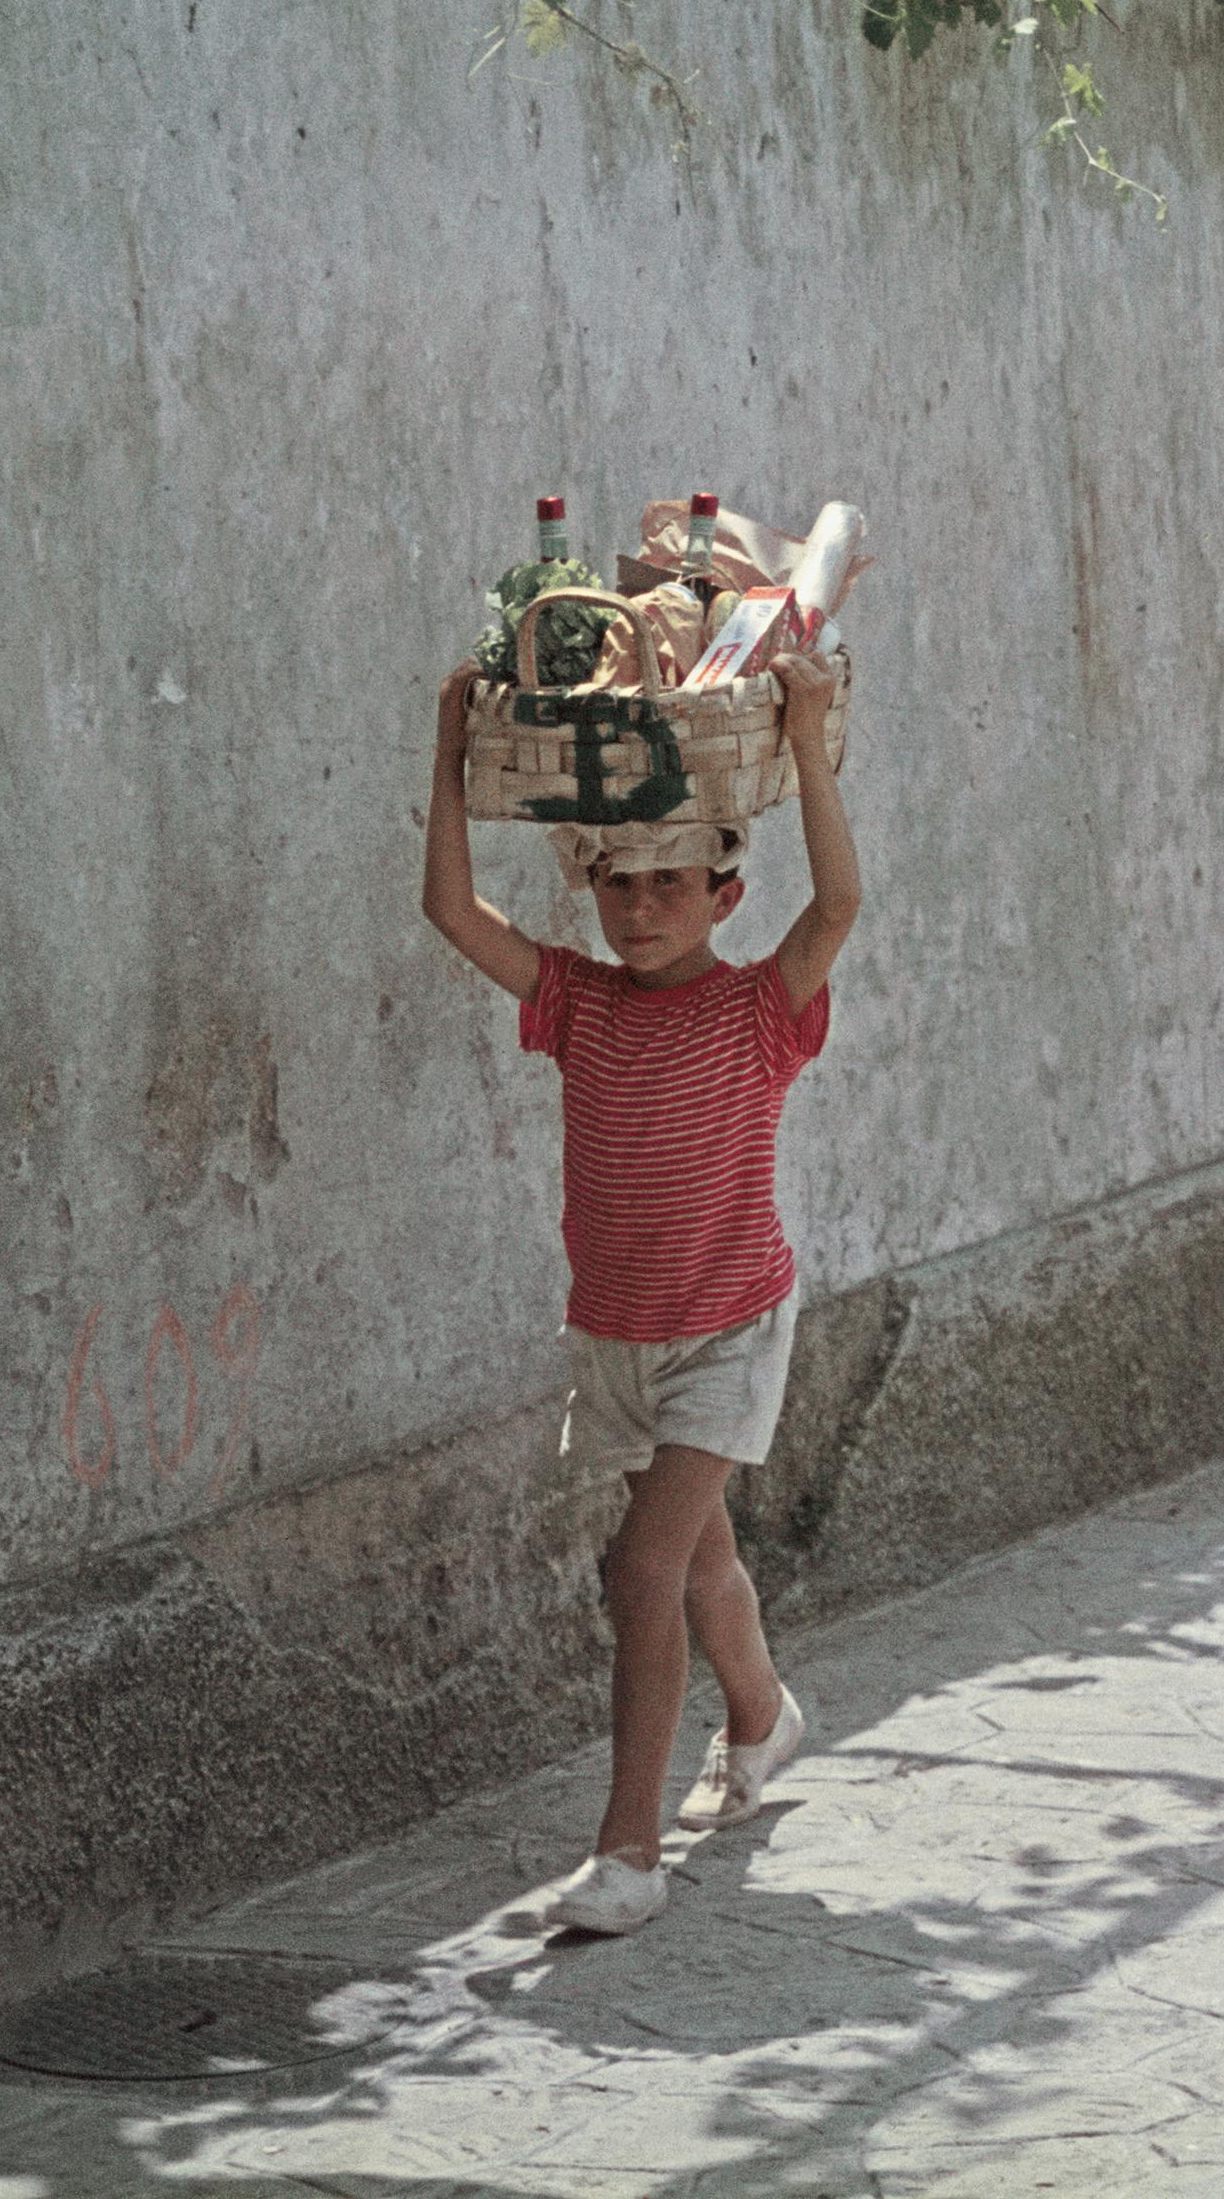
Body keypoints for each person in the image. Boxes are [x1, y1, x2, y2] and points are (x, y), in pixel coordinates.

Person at [424, 654, 858, 1937]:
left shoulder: (762, 1010)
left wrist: (812, 738)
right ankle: (765, 1714)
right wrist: (448, 747)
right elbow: (451, 907)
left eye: (673, 880)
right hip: (618, 1333)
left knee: (643, 1560)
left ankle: (629, 1847)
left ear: (725, 890)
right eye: (620, 882)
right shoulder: (576, 1003)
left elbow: (838, 902)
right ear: (593, 893)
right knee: (702, 1554)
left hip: (731, 1323)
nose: (644, 905)